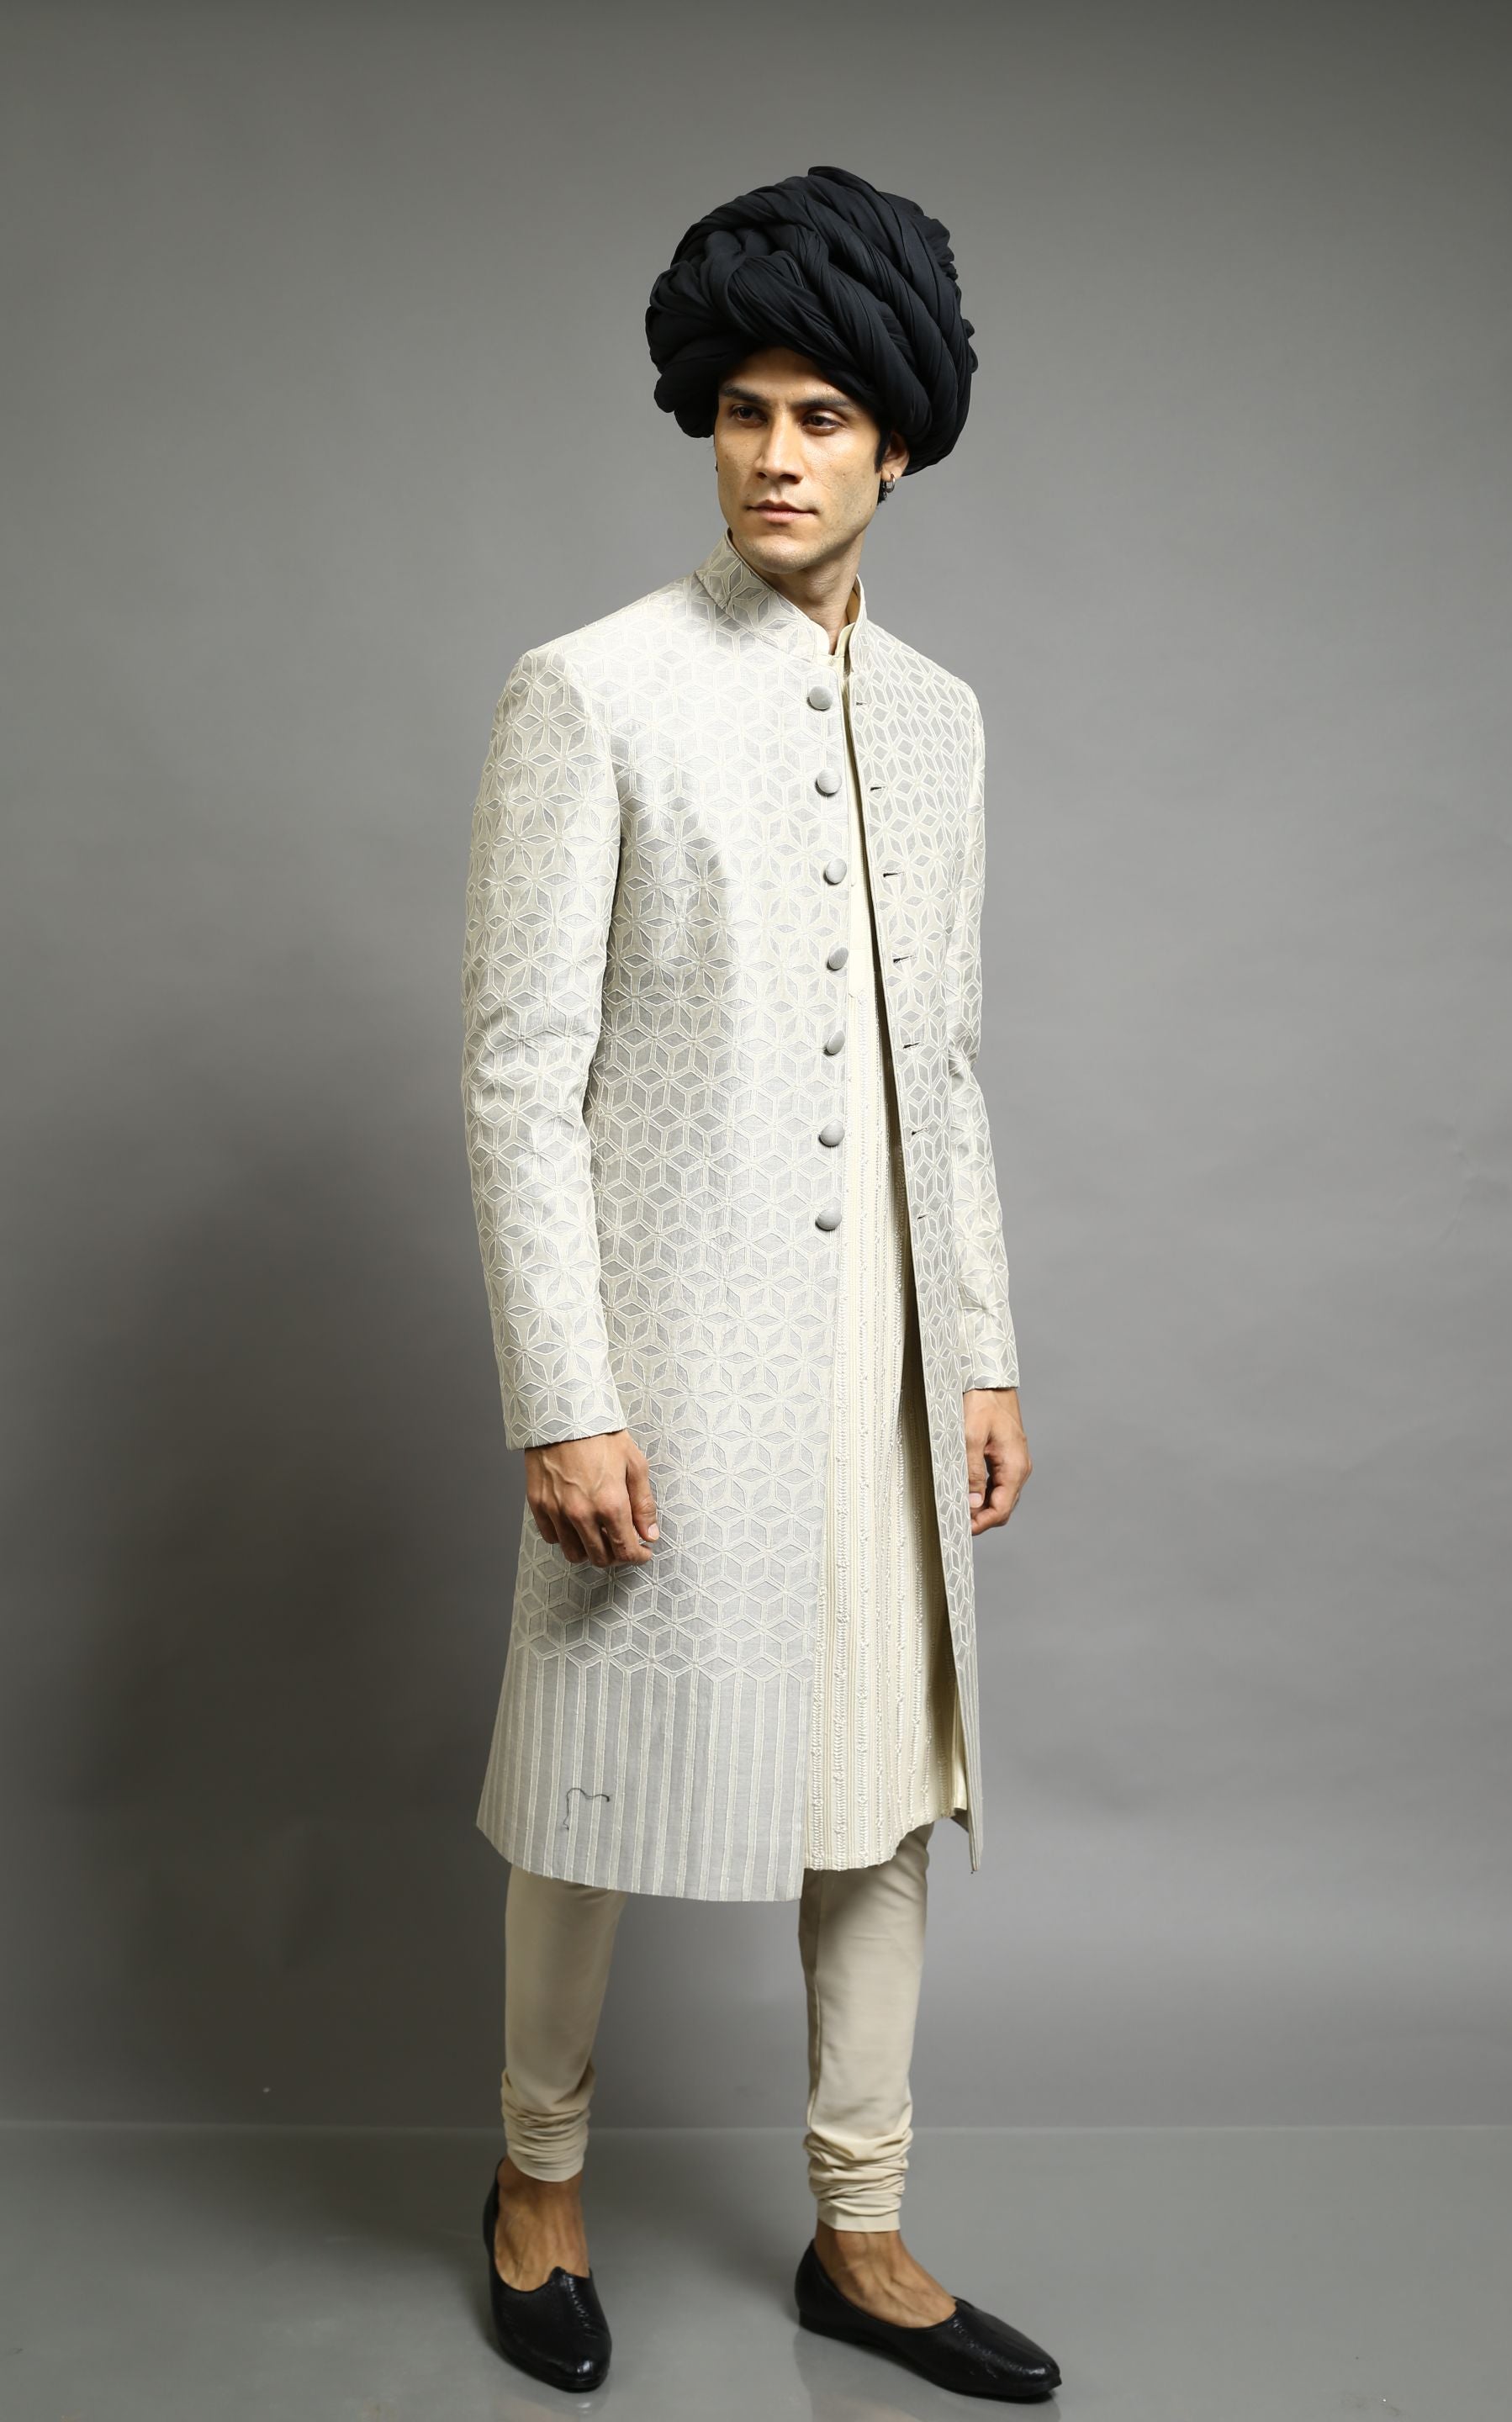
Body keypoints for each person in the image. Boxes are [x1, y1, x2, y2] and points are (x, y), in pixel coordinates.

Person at [460, 163, 1058, 2400]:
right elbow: (518, 1073)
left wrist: (980, 1351)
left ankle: (860, 2235)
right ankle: (534, 2184)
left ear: (899, 446)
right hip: (668, 1360)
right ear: (704, 426)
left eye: (823, 416)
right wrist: (565, 1392)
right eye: (744, 411)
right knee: (589, 1792)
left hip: (885, 1363)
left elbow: (948, 1060)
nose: (778, 455)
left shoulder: (944, 719)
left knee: (882, 1793)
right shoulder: (590, 691)